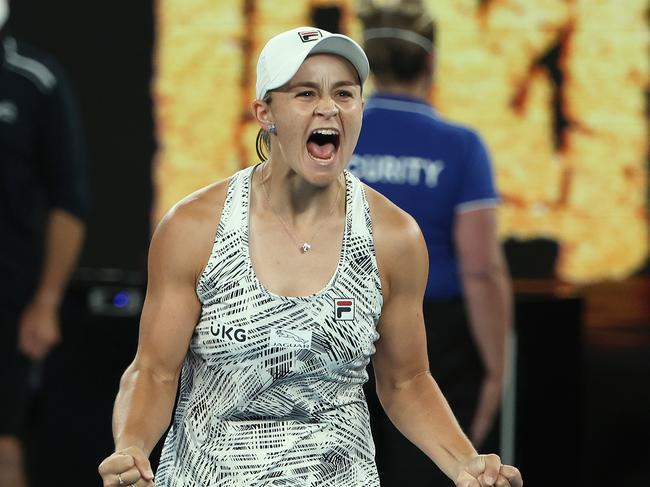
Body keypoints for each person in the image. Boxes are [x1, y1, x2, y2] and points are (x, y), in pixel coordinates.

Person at [97, 26, 522, 487]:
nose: (328, 108)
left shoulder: (393, 237)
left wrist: (464, 464)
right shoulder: (194, 227)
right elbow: (154, 371)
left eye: (345, 93)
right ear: (265, 112)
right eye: (305, 93)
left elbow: (406, 381)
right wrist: (133, 449)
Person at [350, 1, 513, 485]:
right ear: (430, 63)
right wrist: (497, 370)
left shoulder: (333, 137)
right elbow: (481, 268)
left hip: (336, 324)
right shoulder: (460, 146)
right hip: (433, 338)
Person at [0, 2, 88, 486]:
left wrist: (47, 301)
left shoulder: (34, 81)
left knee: (4, 441)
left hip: (8, 295)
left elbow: (68, 202)